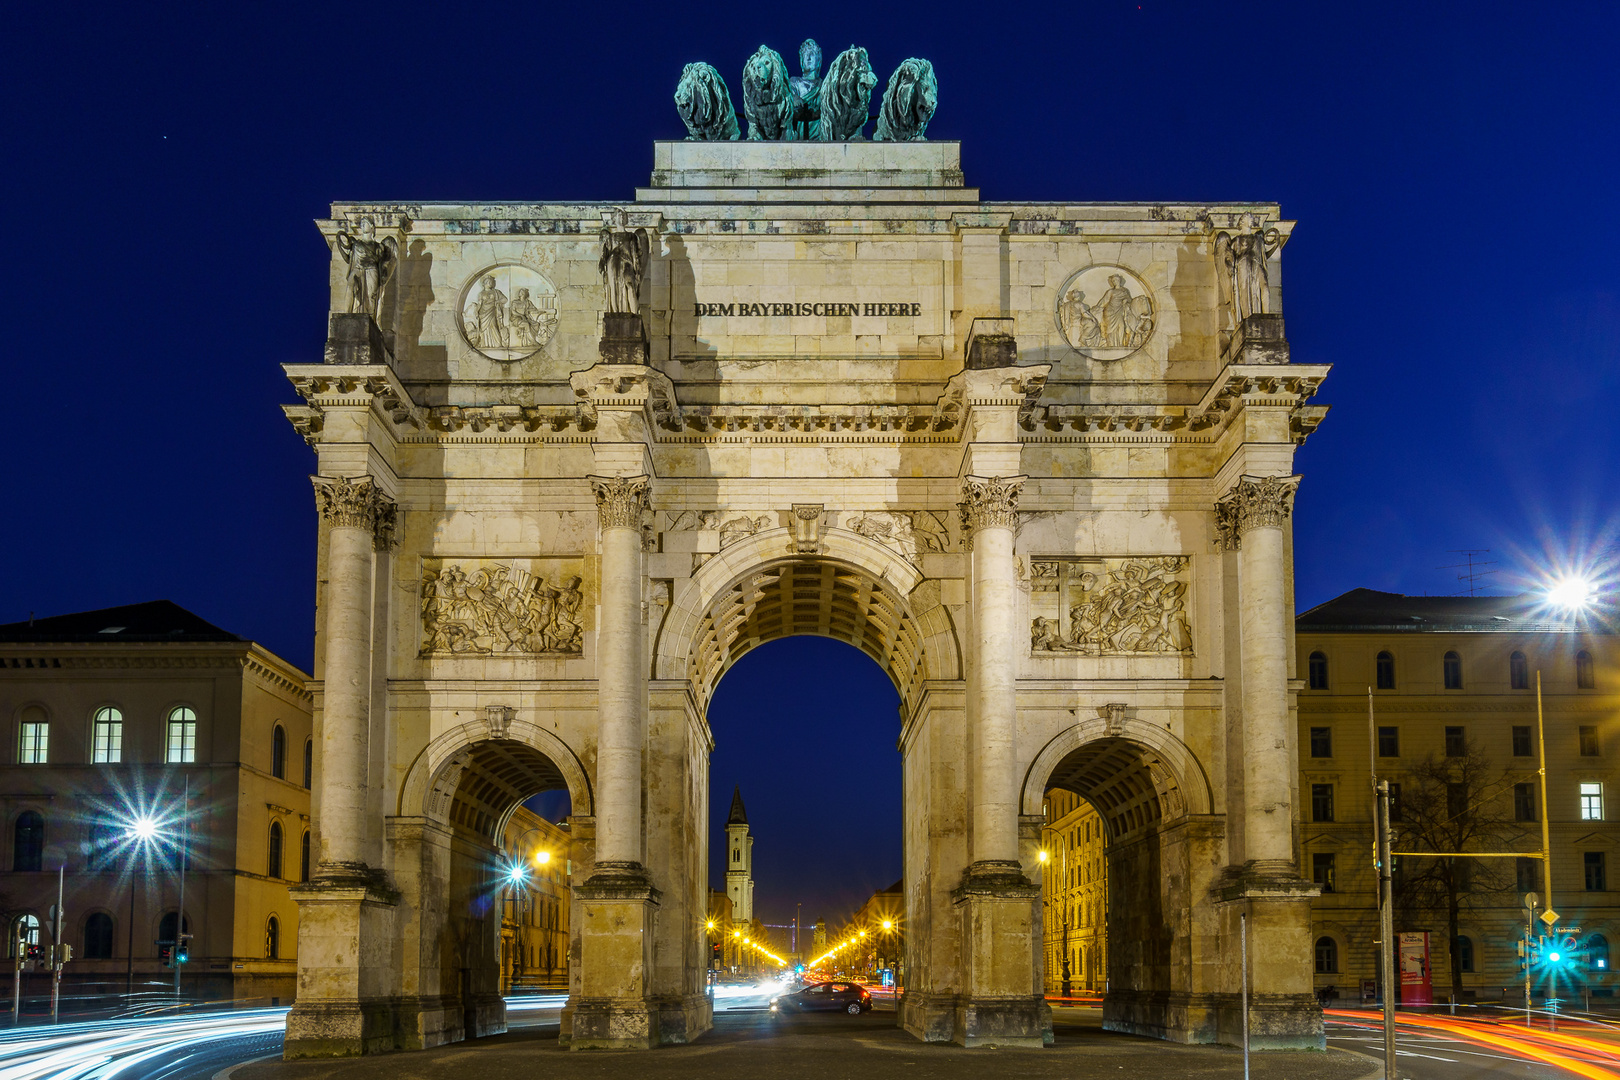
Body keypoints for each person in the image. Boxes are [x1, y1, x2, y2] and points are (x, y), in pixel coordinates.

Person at [468, 275, 508, 350]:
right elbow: (479, 304)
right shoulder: (481, 294)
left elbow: (505, 299)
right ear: (485, 283)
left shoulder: (496, 292)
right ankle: (485, 344)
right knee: (483, 329)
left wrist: (497, 301)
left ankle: (497, 343)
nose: (491, 283)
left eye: (491, 282)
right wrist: (476, 312)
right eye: (489, 282)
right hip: (483, 313)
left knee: (494, 326)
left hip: (492, 311)